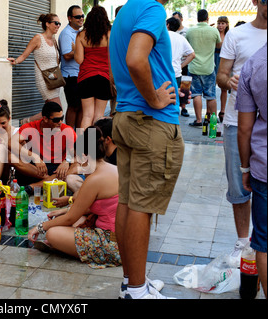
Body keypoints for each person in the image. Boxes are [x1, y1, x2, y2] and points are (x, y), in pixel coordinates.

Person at [110, 0, 185, 299]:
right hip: (150, 121)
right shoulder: (152, 9)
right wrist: (153, 98)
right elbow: (134, 59)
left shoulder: (127, 10)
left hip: (127, 117)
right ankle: (138, 291)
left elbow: (117, 69)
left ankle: (132, 282)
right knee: (140, 206)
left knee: (127, 202)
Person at [216, 0, 267, 266]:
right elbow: (221, 76)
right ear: (256, 2)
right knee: (239, 185)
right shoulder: (238, 34)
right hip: (238, 121)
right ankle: (243, 242)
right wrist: (231, 80)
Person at [28, 126, 120, 269]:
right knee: (78, 221)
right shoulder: (111, 168)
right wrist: (62, 211)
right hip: (123, 236)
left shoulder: (94, 179)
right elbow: (90, 207)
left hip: (112, 243)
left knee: (52, 233)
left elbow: (70, 217)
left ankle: (66, 247)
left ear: (83, 156)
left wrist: (40, 227)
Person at [236, 43, 267, 299]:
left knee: (265, 243)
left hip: (264, 165)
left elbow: (244, 127)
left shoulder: (255, 63)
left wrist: (245, 168)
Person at [10, 101, 77, 194]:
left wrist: (67, 161)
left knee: (74, 166)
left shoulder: (67, 130)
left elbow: (79, 154)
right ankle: (48, 181)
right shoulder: (31, 127)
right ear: (45, 119)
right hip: (36, 168)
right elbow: (12, 143)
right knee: (9, 156)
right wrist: (34, 157)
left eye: (62, 118)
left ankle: (32, 187)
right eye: (56, 120)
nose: (60, 122)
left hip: (56, 169)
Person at [8, 14, 63, 125]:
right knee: (58, 110)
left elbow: (56, 61)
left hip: (54, 79)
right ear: (47, 24)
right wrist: (16, 61)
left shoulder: (54, 40)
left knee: (50, 112)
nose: (58, 26)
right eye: (56, 23)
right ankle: (25, 122)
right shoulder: (38, 38)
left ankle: (43, 133)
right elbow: (24, 55)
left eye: (59, 24)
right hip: (44, 79)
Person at [74, 6, 113, 130]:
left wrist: (75, 50)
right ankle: (94, 149)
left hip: (86, 77)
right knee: (98, 117)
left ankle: (81, 148)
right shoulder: (110, 34)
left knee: (87, 116)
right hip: (104, 77)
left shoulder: (81, 35)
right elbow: (112, 60)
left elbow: (79, 60)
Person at [186, 9, 221, 127]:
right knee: (211, 96)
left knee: (196, 94)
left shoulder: (190, 31)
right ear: (207, 18)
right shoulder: (214, 31)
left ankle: (198, 120)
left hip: (194, 67)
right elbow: (218, 44)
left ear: (197, 18)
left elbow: (187, 47)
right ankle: (213, 124)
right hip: (209, 68)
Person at [59, 5, 84, 128]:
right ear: (70, 18)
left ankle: (79, 139)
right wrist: (81, 51)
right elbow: (67, 55)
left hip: (80, 74)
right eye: (77, 16)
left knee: (82, 107)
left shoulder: (80, 33)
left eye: (82, 16)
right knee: (73, 106)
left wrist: (78, 50)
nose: (81, 19)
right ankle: (70, 137)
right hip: (70, 75)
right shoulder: (66, 33)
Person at [166, 17, 195, 117]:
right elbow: (192, 54)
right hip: (176, 73)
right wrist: (181, 65)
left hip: (163, 73)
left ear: (167, 25)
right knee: (176, 100)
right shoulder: (181, 38)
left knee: (165, 99)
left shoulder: (162, 36)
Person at [215, 16, 230, 123]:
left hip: (224, 62)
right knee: (211, 88)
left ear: (227, 24)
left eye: (223, 23)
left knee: (223, 88)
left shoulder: (229, 35)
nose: (220, 25)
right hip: (214, 61)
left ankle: (223, 110)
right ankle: (211, 112)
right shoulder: (214, 33)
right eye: (219, 23)